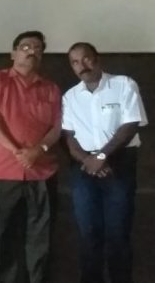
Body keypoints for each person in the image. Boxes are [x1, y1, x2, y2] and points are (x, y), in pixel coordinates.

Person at [0, 30, 61, 283]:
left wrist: (38, 150)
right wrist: (16, 151)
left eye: (37, 48)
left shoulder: (51, 88)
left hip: (41, 173)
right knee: (1, 241)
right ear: (13, 53)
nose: (31, 51)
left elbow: (58, 127)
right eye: (25, 47)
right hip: (1, 172)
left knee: (41, 242)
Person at [62, 42, 147, 283]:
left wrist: (101, 157)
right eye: (75, 62)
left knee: (118, 233)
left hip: (119, 162)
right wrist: (90, 161)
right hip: (83, 167)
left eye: (86, 59)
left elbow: (130, 125)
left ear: (97, 58)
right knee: (88, 234)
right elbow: (69, 137)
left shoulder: (123, 84)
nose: (82, 66)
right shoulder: (70, 96)